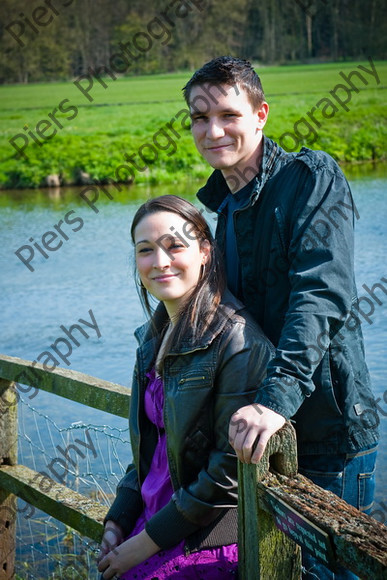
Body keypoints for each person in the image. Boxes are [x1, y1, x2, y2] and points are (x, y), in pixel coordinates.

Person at [183, 56, 379, 579]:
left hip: (325, 432)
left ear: (261, 113)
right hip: (259, 438)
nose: (213, 129)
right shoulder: (221, 210)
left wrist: (274, 400)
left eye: (228, 113)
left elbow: (321, 293)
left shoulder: (311, 178)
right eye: (199, 118)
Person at [97, 195, 273, 579]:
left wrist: (146, 543)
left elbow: (228, 473)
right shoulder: (152, 338)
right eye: (145, 250)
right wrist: (118, 520)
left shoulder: (237, 341)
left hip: (205, 539)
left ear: (205, 251)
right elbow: (152, 446)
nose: (159, 262)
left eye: (174, 246)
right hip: (151, 520)